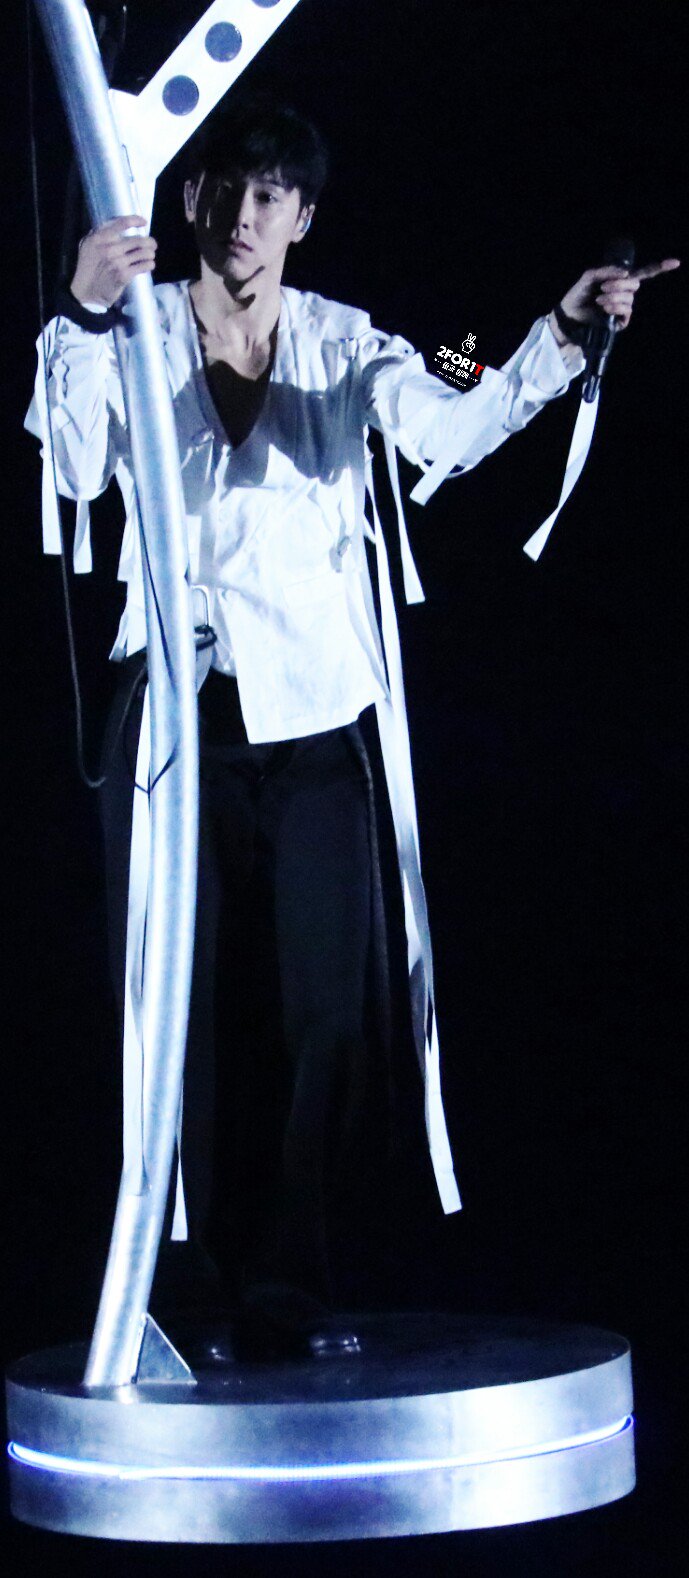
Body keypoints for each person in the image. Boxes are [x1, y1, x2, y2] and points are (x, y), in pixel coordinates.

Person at [26, 94, 677, 1361]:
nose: (243, 215)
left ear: (304, 218)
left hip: (315, 720)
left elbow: (450, 410)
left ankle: (288, 1281)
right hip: (175, 728)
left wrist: (554, 328)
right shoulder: (133, 328)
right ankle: (197, 1292)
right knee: (185, 1014)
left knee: (323, 1007)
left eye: (270, 196)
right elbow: (76, 468)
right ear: (190, 198)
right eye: (225, 189)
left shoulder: (345, 339)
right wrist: (86, 313)